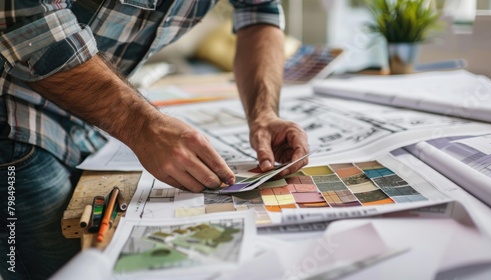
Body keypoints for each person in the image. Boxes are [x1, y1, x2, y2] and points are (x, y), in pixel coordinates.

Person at [0, 0, 309, 279]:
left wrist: (264, 113)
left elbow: (259, 12)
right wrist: (142, 126)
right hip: (13, 119)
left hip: (93, 120)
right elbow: (29, 21)